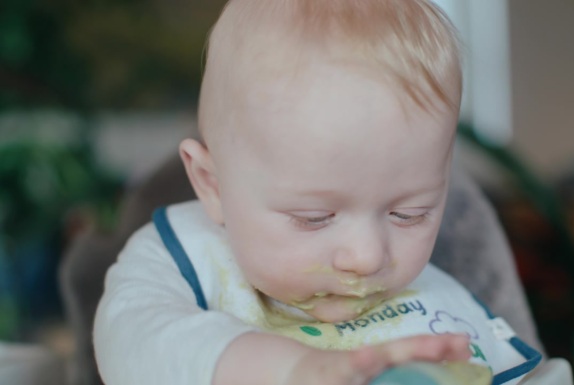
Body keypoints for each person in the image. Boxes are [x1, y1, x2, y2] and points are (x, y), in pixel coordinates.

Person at [93, 1, 541, 384]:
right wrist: (291, 370)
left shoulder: (436, 304)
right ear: (212, 183)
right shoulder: (179, 260)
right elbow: (130, 343)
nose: (366, 258)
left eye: (409, 213)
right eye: (314, 217)